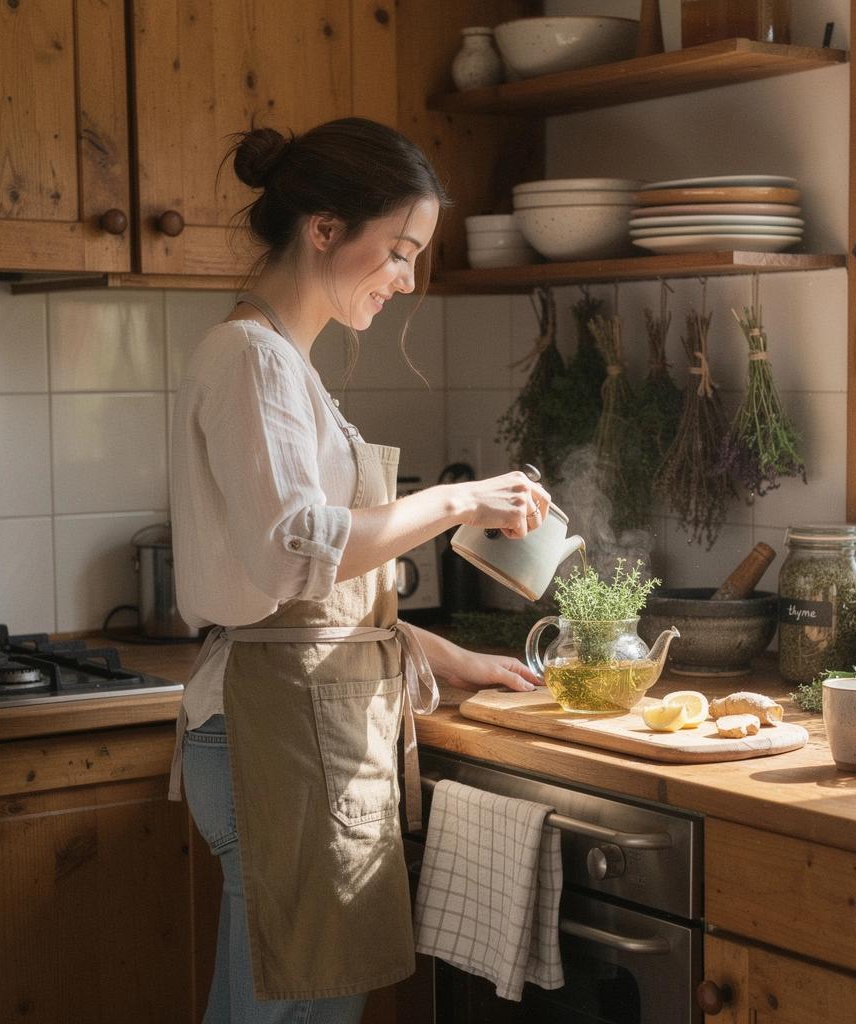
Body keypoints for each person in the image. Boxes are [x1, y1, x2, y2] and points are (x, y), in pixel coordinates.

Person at [167, 117, 550, 1024]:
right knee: (282, 1008)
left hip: (304, 722)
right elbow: (297, 547)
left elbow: (316, 594)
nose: (408, 278)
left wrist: (439, 654)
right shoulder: (252, 358)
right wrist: (460, 502)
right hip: (271, 733)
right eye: (400, 249)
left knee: (314, 1006)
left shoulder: (287, 365)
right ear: (326, 228)